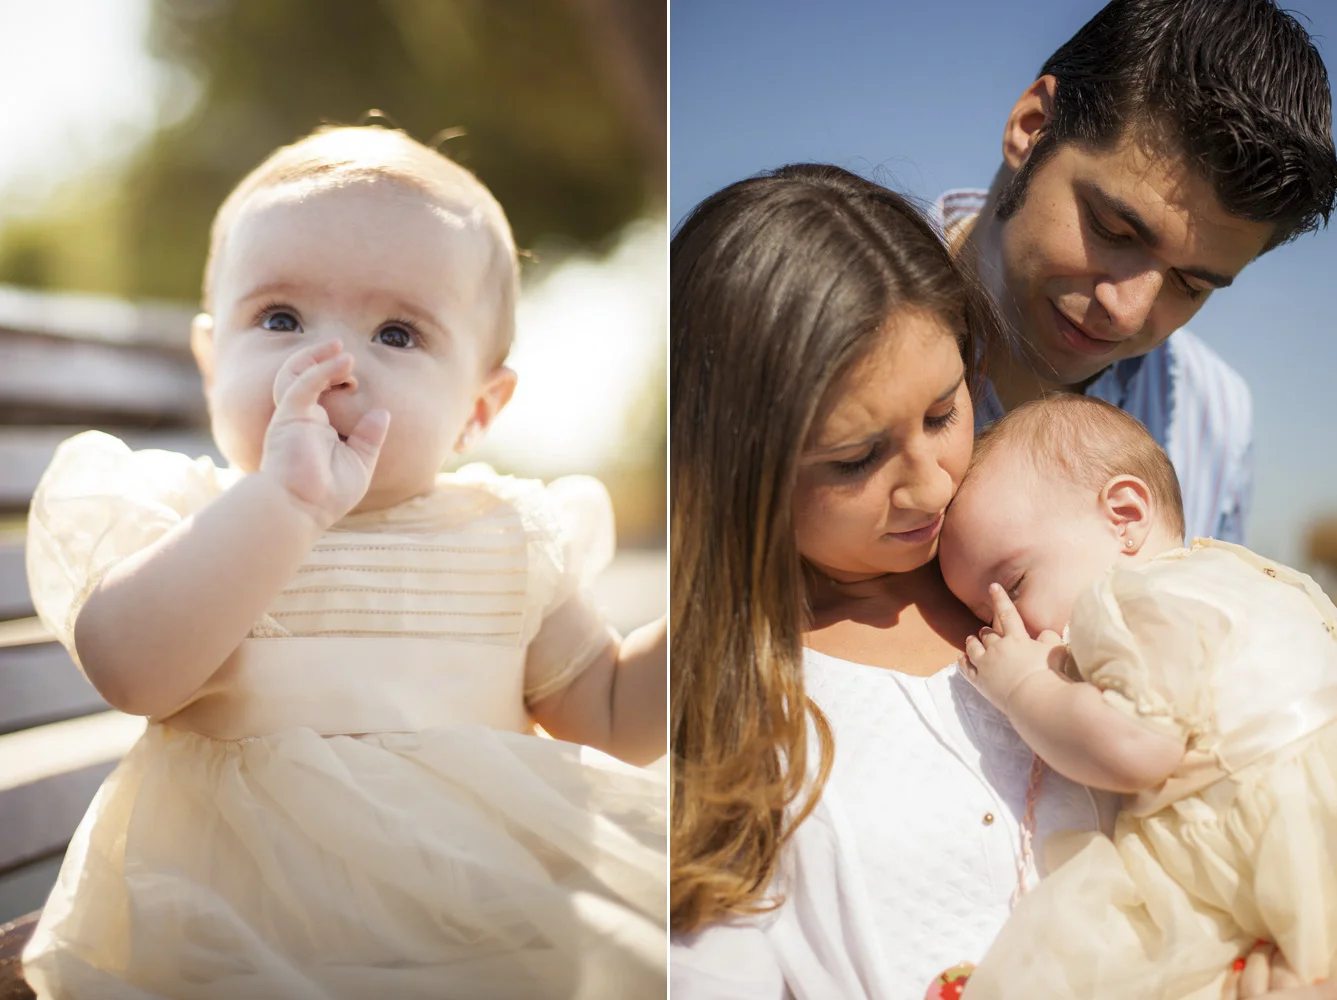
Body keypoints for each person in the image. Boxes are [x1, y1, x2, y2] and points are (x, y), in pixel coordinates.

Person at [20, 125, 667, 999]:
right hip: (243, 927)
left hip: (482, 916)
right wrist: (281, 506)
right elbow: (132, 671)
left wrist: (719, 598)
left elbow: (617, 714)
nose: (328, 366)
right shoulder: (185, 520)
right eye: (280, 318)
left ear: (479, 407)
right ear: (212, 365)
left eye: (397, 333)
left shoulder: (506, 535)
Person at [670, 164, 1337, 1000]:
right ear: (736, 465)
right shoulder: (736, 694)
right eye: (854, 459)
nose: (928, 485)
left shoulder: (1050, 589)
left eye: (945, 413)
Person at [938, 394, 1337, 997]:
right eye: (982, 616)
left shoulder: (1132, 603)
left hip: (1267, 848)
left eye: (1013, 586)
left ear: (1125, 516)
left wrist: (1023, 685)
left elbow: (1134, 749)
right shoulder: (1248, 577)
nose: (1006, 630)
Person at [942, 0, 1337, 544]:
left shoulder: (1216, 419)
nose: (1126, 315)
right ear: (1032, 129)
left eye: (1190, 285)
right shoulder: (812, 302)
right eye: (1114, 230)